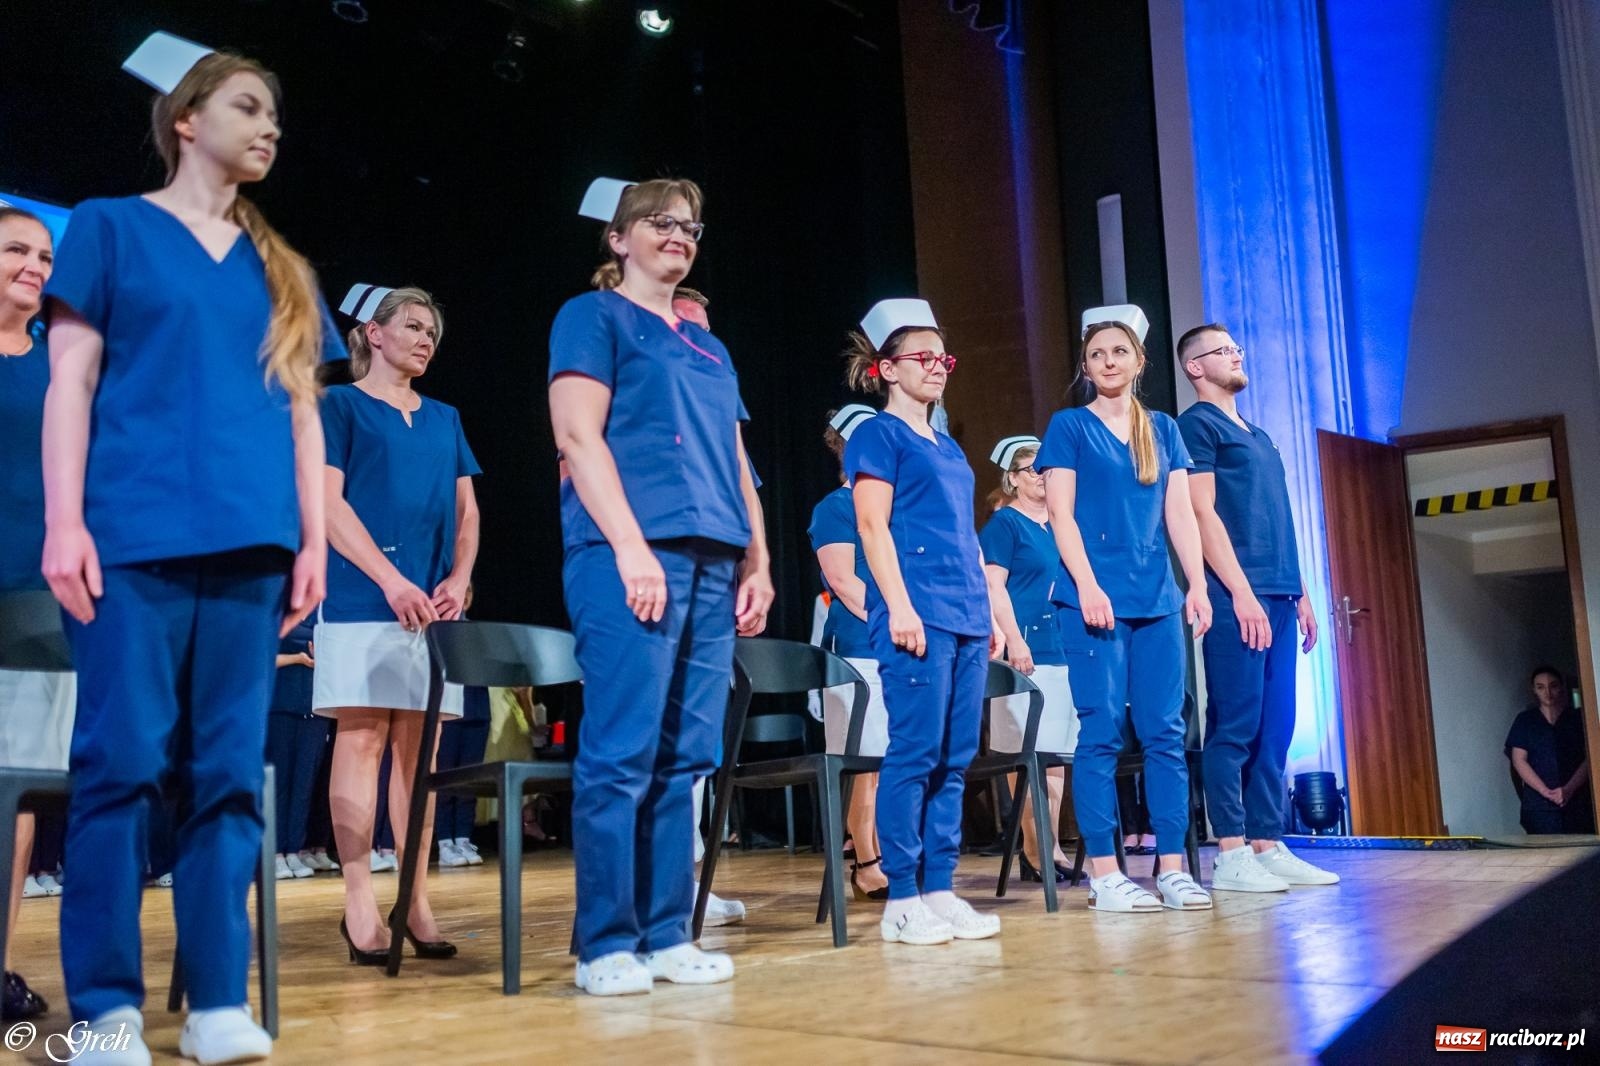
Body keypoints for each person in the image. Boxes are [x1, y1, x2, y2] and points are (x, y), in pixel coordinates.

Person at [42, 34, 337, 1063]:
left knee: (225, 772)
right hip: (131, 534)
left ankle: (216, 998)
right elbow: (70, 382)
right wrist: (65, 519)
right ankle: (107, 1008)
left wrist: (311, 538)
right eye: (250, 107)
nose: (269, 127)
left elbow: (304, 415)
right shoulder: (109, 228)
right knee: (120, 763)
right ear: (187, 119)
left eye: (275, 116)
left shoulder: (282, 265)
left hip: (254, 543)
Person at [550, 177, 773, 995]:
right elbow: (577, 435)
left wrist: (759, 561)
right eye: (659, 223)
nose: (679, 236)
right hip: (629, 554)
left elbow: (734, 461)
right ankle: (607, 942)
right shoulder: (593, 317)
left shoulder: (710, 347)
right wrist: (631, 547)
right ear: (618, 239)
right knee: (622, 749)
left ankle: (666, 933)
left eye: (690, 226)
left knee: (686, 755)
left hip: (716, 559)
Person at [314, 283, 479, 966]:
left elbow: (467, 511)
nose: (424, 339)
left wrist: (460, 578)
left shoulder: (445, 417)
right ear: (373, 334)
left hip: (433, 610)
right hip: (362, 598)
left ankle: (413, 896)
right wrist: (390, 580)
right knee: (362, 741)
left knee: (421, 757)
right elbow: (326, 503)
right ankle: (358, 902)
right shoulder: (341, 406)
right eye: (412, 326)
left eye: (432, 331)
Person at [1038, 305, 1213, 914]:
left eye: (1118, 352)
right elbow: (1060, 513)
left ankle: (1171, 867)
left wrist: (1196, 582)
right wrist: (1086, 585)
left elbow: (1180, 513)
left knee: (1166, 730)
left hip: (1157, 597)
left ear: (1140, 361)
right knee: (1103, 727)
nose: (1107, 362)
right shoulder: (1069, 426)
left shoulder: (1162, 428)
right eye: (1096, 355)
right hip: (1093, 597)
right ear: (1086, 367)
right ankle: (1108, 872)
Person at [843, 298, 1004, 945]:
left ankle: (939, 889)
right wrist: (901, 605)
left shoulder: (950, 449)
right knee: (913, 753)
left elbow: (965, 538)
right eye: (922, 357)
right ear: (886, 368)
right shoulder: (877, 436)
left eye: (943, 357)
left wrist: (987, 613)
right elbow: (871, 524)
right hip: (916, 614)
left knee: (955, 758)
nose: (938, 367)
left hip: (964, 613)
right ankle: (901, 897)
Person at [1176, 323, 1338, 890]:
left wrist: (1302, 594)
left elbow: (1281, 521)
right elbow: (1203, 513)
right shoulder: (1197, 425)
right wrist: (1239, 591)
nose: (1236, 356)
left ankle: (1269, 840)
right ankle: (1232, 850)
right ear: (1195, 366)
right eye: (1223, 350)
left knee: (1277, 725)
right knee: (1236, 724)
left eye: (1237, 348)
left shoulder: (1261, 435)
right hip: (1234, 593)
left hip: (1278, 592)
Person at [0, 203, 70, 1022]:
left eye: (45, 255)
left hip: (40, 613)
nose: (35, 266)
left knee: (13, 795)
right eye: (18, 250)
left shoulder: (67, 366)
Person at [980, 435, 1076, 884]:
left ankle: (1049, 846)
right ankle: (1037, 851)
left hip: (1065, 649)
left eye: (1047, 468)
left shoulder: (1062, 523)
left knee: (1056, 759)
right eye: (1033, 470)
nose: (1042, 476)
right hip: (1026, 654)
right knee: (1028, 757)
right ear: (1013, 479)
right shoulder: (1005, 525)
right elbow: (992, 587)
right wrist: (1013, 639)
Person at [808, 403, 891, 900]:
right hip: (859, 646)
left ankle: (895, 851)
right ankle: (866, 862)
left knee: (896, 758)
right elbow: (843, 580)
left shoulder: (890, 509)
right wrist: (892, 623)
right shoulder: (835, 507)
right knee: (866, 760)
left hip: (901, 645)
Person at [266, 620, 328, 879]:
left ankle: (294, 849)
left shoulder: (322, 615)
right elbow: (261, 659)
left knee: (304, 785)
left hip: (314, 711)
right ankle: (276, 852)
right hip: (282, 707)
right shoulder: (278, 614)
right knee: (281, 785)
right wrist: (297, 658)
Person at [1506, 666, 1593, 834]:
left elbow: (1591, 756)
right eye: (1541, 687)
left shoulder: (1578, 718)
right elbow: (1518, 760)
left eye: (1553, 686)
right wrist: (1544, 791)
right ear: (1534, 690)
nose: (1548, 692)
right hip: (1539, 806)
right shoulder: (1525, 721)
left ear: (1561, 687)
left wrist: (1568, 789)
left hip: (1578, 802)